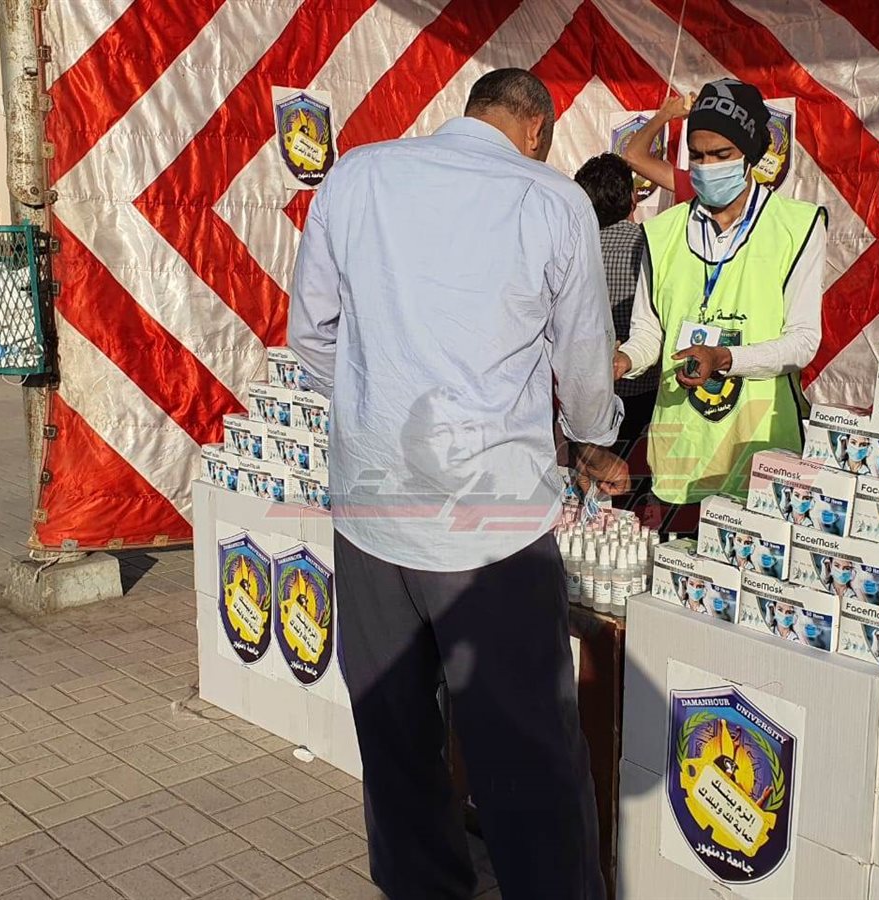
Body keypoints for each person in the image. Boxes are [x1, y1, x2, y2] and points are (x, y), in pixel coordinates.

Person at [287, 68, 627, 900]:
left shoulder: (357, 174)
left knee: (396, 738)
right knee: (526, 752)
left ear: (470, 111)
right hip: (492, 525)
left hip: (372, 514)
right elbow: (585, 363)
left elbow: (311, 333)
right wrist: (594, 438)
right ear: (538, 128)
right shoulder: (552, 200)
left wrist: (376, 409)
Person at [615, 79, 827, 532]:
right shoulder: (661, 232)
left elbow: (803, 342)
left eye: (721, 154)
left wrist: (725, 358)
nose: (707, 167)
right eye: (697, 155)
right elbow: (649, 333)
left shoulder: (798, 226)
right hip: (682, 448)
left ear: (749, 155)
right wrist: (623, 359)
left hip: (760, 443)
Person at [574, 153, 658, 506]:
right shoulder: (651, 246)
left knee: (590, 503)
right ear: (633, 198)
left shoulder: (573, 250)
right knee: (636, 500)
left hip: (586, 399)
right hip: (642, 396)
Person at [621, 92, 698, 202]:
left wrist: (665, 114)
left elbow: (633, 156)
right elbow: (632, 156)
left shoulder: (698, 186)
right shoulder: (697, 185)